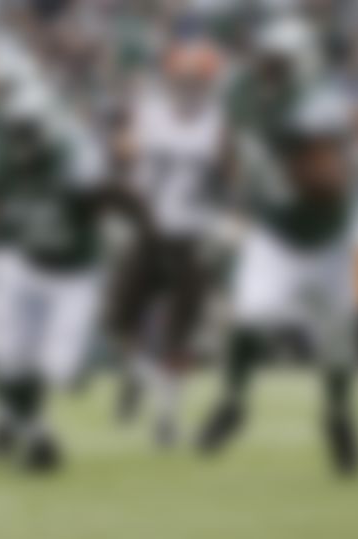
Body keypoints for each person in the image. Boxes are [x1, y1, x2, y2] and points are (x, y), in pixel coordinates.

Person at [196, 16, 358, 478]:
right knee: (249, 314)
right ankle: (234, 403)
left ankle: (338, 415)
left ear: (301, 62)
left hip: (330, 233)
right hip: (276, 230)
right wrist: (234, 188)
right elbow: (231, 140)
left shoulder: (318, 102)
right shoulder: (240, 88)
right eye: (267, 57)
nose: (270, 67)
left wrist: (305, 164)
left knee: (339, 336)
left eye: (279, 61)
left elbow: (329, 179)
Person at [0, 33, 128, 475]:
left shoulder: (71, 150)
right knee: (4, 354)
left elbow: (100, 196)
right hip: (20, 252)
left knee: (54, 368)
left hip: (57, 261)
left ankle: (18, 421)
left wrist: (115, 226)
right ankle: (26, 430)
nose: (19, 136)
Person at [109, 37, 232, 448]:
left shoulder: (219, 123)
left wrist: (229, 215)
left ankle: (166, 418)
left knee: (181, 335)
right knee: (118, 319)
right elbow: (123, 154)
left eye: (197, 80)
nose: (189, 86)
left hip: (193, 236)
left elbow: (234, 173)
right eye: (183, 78)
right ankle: (141, 374)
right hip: (149, 231)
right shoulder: (149, 113)